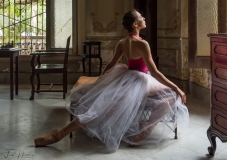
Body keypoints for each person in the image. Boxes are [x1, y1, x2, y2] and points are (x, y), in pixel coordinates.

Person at [34, 9, 189, 151]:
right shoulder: (142, 44)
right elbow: (154, 72)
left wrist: (101, 81)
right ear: (135, 24)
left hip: (126, 77)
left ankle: (59, 134)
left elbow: (111, 65)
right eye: (141, 17)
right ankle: (144, 130)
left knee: (97, 109)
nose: (144, 18)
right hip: (140, 80)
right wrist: (177, 87)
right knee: (172, 94)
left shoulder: (122, 43)